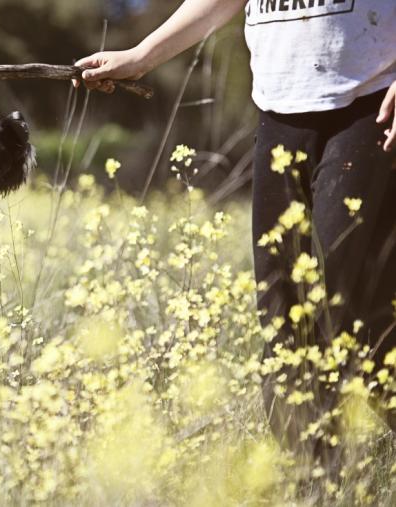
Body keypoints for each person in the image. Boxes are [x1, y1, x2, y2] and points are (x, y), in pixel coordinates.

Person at [76, 0, 396, 469]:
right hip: (280, 108)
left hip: (373, 102)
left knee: (354, 304)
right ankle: (317, 484)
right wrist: (143, 54)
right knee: (283, 312)